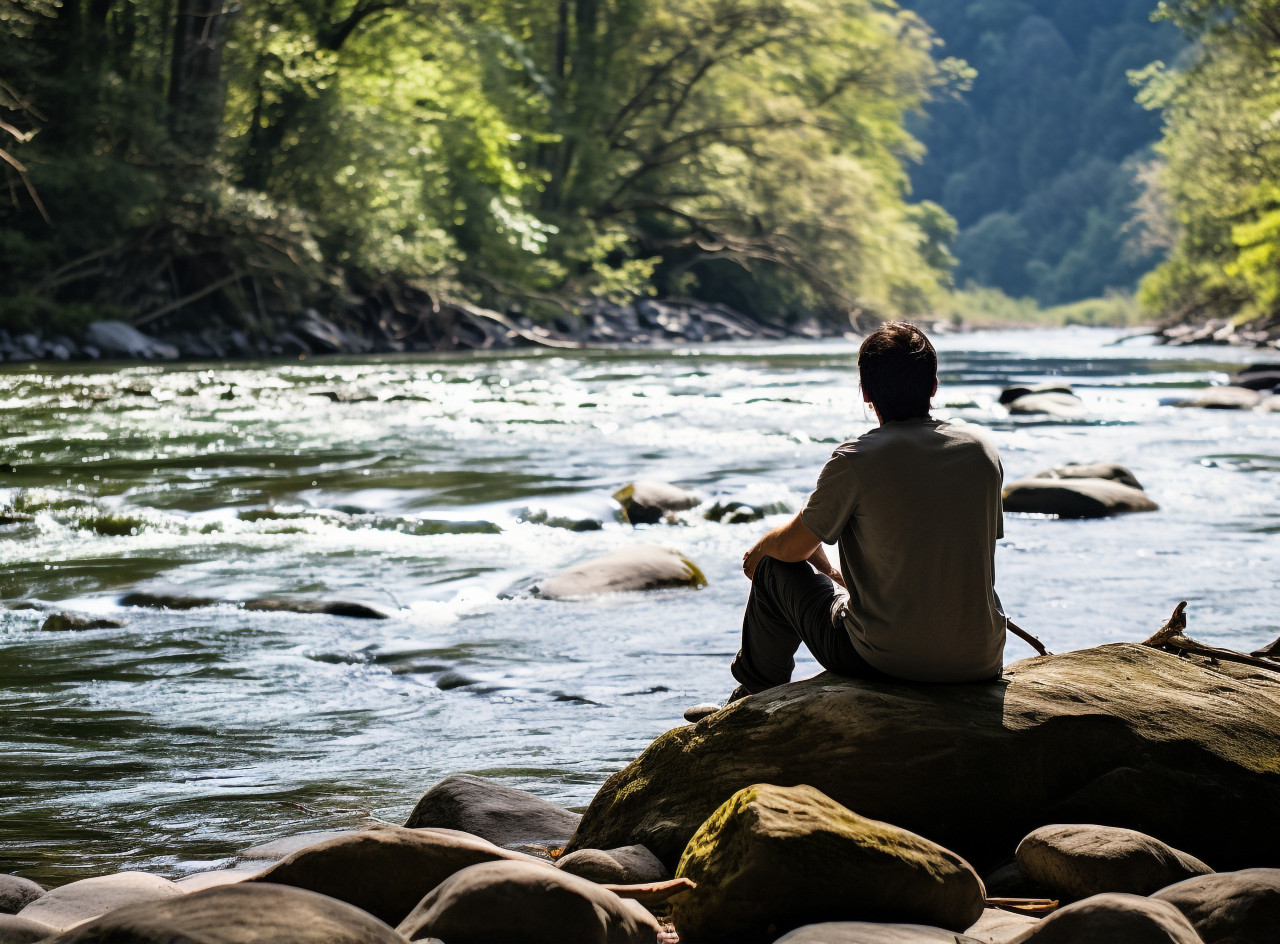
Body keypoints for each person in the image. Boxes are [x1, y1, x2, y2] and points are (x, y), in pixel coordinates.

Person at [686, 322, 1007, 721]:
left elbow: (790, 551)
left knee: (772, 569)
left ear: (866, 393)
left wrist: (763, 547)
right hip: (979, 658)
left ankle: (750, 697)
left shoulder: (856, 459)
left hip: (887, 660)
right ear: (934, 385)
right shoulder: (981, 450)